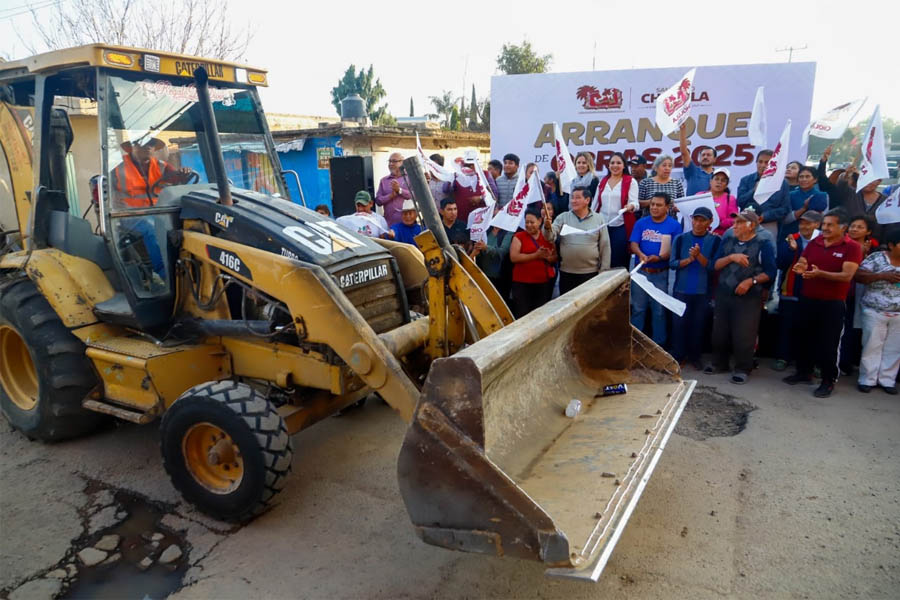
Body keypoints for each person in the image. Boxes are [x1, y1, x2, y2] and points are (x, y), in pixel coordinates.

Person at [784, 210, 863, 398]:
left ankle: (828, 381)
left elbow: (847, 276)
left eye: (830, 224)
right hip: (808, 298)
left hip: (833, 303)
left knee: (829, 343)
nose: (825, 228)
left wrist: (821, 274)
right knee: (804, 338)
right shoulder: (815, 242)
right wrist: (800, 267)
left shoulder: (852, 247)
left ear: (843, 227)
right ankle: (804, 373)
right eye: (824, 224)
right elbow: (804, 260)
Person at [707, 208, 776, 384]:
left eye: (739, 222)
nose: (734, 225)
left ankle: (743, 368)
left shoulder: (763, 243)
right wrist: (731, 257)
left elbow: (770, 272)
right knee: (719, 331)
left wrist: (750, 282)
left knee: (744, 334)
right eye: (734, 221)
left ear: (751, 225)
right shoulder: (728, 240)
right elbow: (714, 265)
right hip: (724, 293)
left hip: (749, 296)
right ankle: (719, 363)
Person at [111, 136, 193, 279]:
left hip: (160, 212)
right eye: (143, 143)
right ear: (132, 147)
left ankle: (186, 266)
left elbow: (177, 181)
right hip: (128, 215)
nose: (148, 147)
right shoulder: (117, 169)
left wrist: (184, 175)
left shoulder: (163, 166)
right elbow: (108, 195)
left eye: (151, 143)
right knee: (152, 229)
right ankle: (165, 275)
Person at [669, 207, 721, 369]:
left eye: (702, 220)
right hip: (681, 290)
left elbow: (714, 267)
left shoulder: (715, 241)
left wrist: (698, 256)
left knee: (698, 325)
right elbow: (673, 264)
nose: (698, 223)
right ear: (691, 219)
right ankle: (678, 356)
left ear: (710, 222)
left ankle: (695, 357)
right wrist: (689, 260)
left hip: (702, 291)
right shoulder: (680, 239)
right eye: (696, 219)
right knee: (679, 325)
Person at [773, 211, 823, 371]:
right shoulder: (791, 238)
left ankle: (813, 362)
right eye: (802, 223)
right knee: (786, 327)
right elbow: (780, 263)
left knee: (814, 329)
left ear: (817, 224)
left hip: (816, 291)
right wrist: (791, 250)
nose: (804, 226)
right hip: (791, 289)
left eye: (808, 223)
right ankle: (783, 357)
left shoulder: (824, 241)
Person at [629, 192, 681, 345]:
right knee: (638, 310)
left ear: (667, 207)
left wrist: (659, 258)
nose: (654, 208)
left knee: (659, 312)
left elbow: (674, 249)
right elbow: (633, 243)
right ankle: (635, 345)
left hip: (660, 274)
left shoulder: (674, 225)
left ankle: (659, 347)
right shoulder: (641, 223)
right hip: (641, 273)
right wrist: (640, 254)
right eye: (652, 204)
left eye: (659, 205)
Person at [854, 229, 900, 394]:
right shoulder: (877, 258)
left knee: (895, 348)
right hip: (875, 310)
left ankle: (888, 380)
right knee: (872, 345)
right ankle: (867, 379)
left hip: (899, 314)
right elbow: (858, 275)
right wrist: (882, 275)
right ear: (891, 245)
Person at [543, 186, 611, 295]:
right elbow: (550, 237)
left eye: (578, 198)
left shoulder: (599, 219)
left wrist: (604, 270)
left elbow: (605, 245)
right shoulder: (563, 217)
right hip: (567, 273)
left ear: (587, 200)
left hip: (590, 273)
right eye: (572, 198)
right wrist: (547, 227)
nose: (573, 201)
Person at [839, 215, 878, 375]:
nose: (854, 229)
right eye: (853, 226)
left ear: (868, 231)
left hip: (862, 295)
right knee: (842, 328)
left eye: (860, 227)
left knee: (856, 329)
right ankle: (839, 362)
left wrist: (865, 255)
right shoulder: (841, 244)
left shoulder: (875, 250)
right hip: (843, 292)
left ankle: (848, 362)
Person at [509, 206, 557, 317]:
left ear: (540, 221)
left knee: (540, 314)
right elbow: (514, 257)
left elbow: (555, 256)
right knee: (522, 314)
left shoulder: (547, 236)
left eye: (532, 222)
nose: (529, 225)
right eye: (527, 222)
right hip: (522, 283)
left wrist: (549, 257)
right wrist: (536, 255)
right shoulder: (519, 236)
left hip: (542, 283)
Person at [736, 149, 791, 242]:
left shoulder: (782, 183)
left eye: (767, 162)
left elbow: (785, 209)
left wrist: (764, 216)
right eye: (760, 162)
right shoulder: (746, 180)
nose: (763, 165)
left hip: (769, 224)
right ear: (756, 163)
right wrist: (754, 190)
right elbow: (740, 202)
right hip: (747, 223)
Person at [596, 152, 640, 269]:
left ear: (624, 166)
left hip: (621, 226)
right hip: (603, 226)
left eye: (618, 163)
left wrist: (630, 206)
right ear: (608, 166)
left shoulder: (630, 181)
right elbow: (595, 204)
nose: (615, 165)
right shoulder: (603, 181)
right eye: (612, 163)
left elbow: (636, 203)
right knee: (603, 259)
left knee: (619, 261)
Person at [472, 205, 513, 300]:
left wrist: (486, 247)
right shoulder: (485, 231)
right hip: (484, 276)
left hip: (501, 278)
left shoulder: (508, 232)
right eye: (494, 216)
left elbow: (502, 252)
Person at [780, 166, 828, 240]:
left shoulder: (822, 195)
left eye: (807, 176)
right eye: (801, 177)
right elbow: (785, 220)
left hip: (813, 237)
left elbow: (825, 219)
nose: (804, 179)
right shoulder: (790, 195)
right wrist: (804, 208)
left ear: (815, 179)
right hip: (791, 234)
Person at [375, 152, 412, 227]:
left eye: (394, 161)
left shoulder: (410, 178)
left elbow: (415, 196)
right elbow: (378, 201)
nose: (391, 164)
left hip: (407, 224)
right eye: (389, 161)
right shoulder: (384, 180)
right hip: (389, 224)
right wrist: (391, 196)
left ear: (402, 163)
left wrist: (400, 191)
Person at [679, 123, 716, 195]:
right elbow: (684, 152)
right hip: (692, 206)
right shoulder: (692, 171)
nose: (705, 157)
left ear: (715, 159)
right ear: (699, 158)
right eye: (703, 155)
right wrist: (682, 130)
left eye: (708, 155)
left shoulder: (718, 175)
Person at [706, 167, 738, 236]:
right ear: (711, 181)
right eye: (716, 179)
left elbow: (734, 220)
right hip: (701, 236)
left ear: (726, 185)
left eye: (723, 180)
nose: (719, 182)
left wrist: (718, 223)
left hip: (721, 237)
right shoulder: (700, 195)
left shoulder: (730, 199)